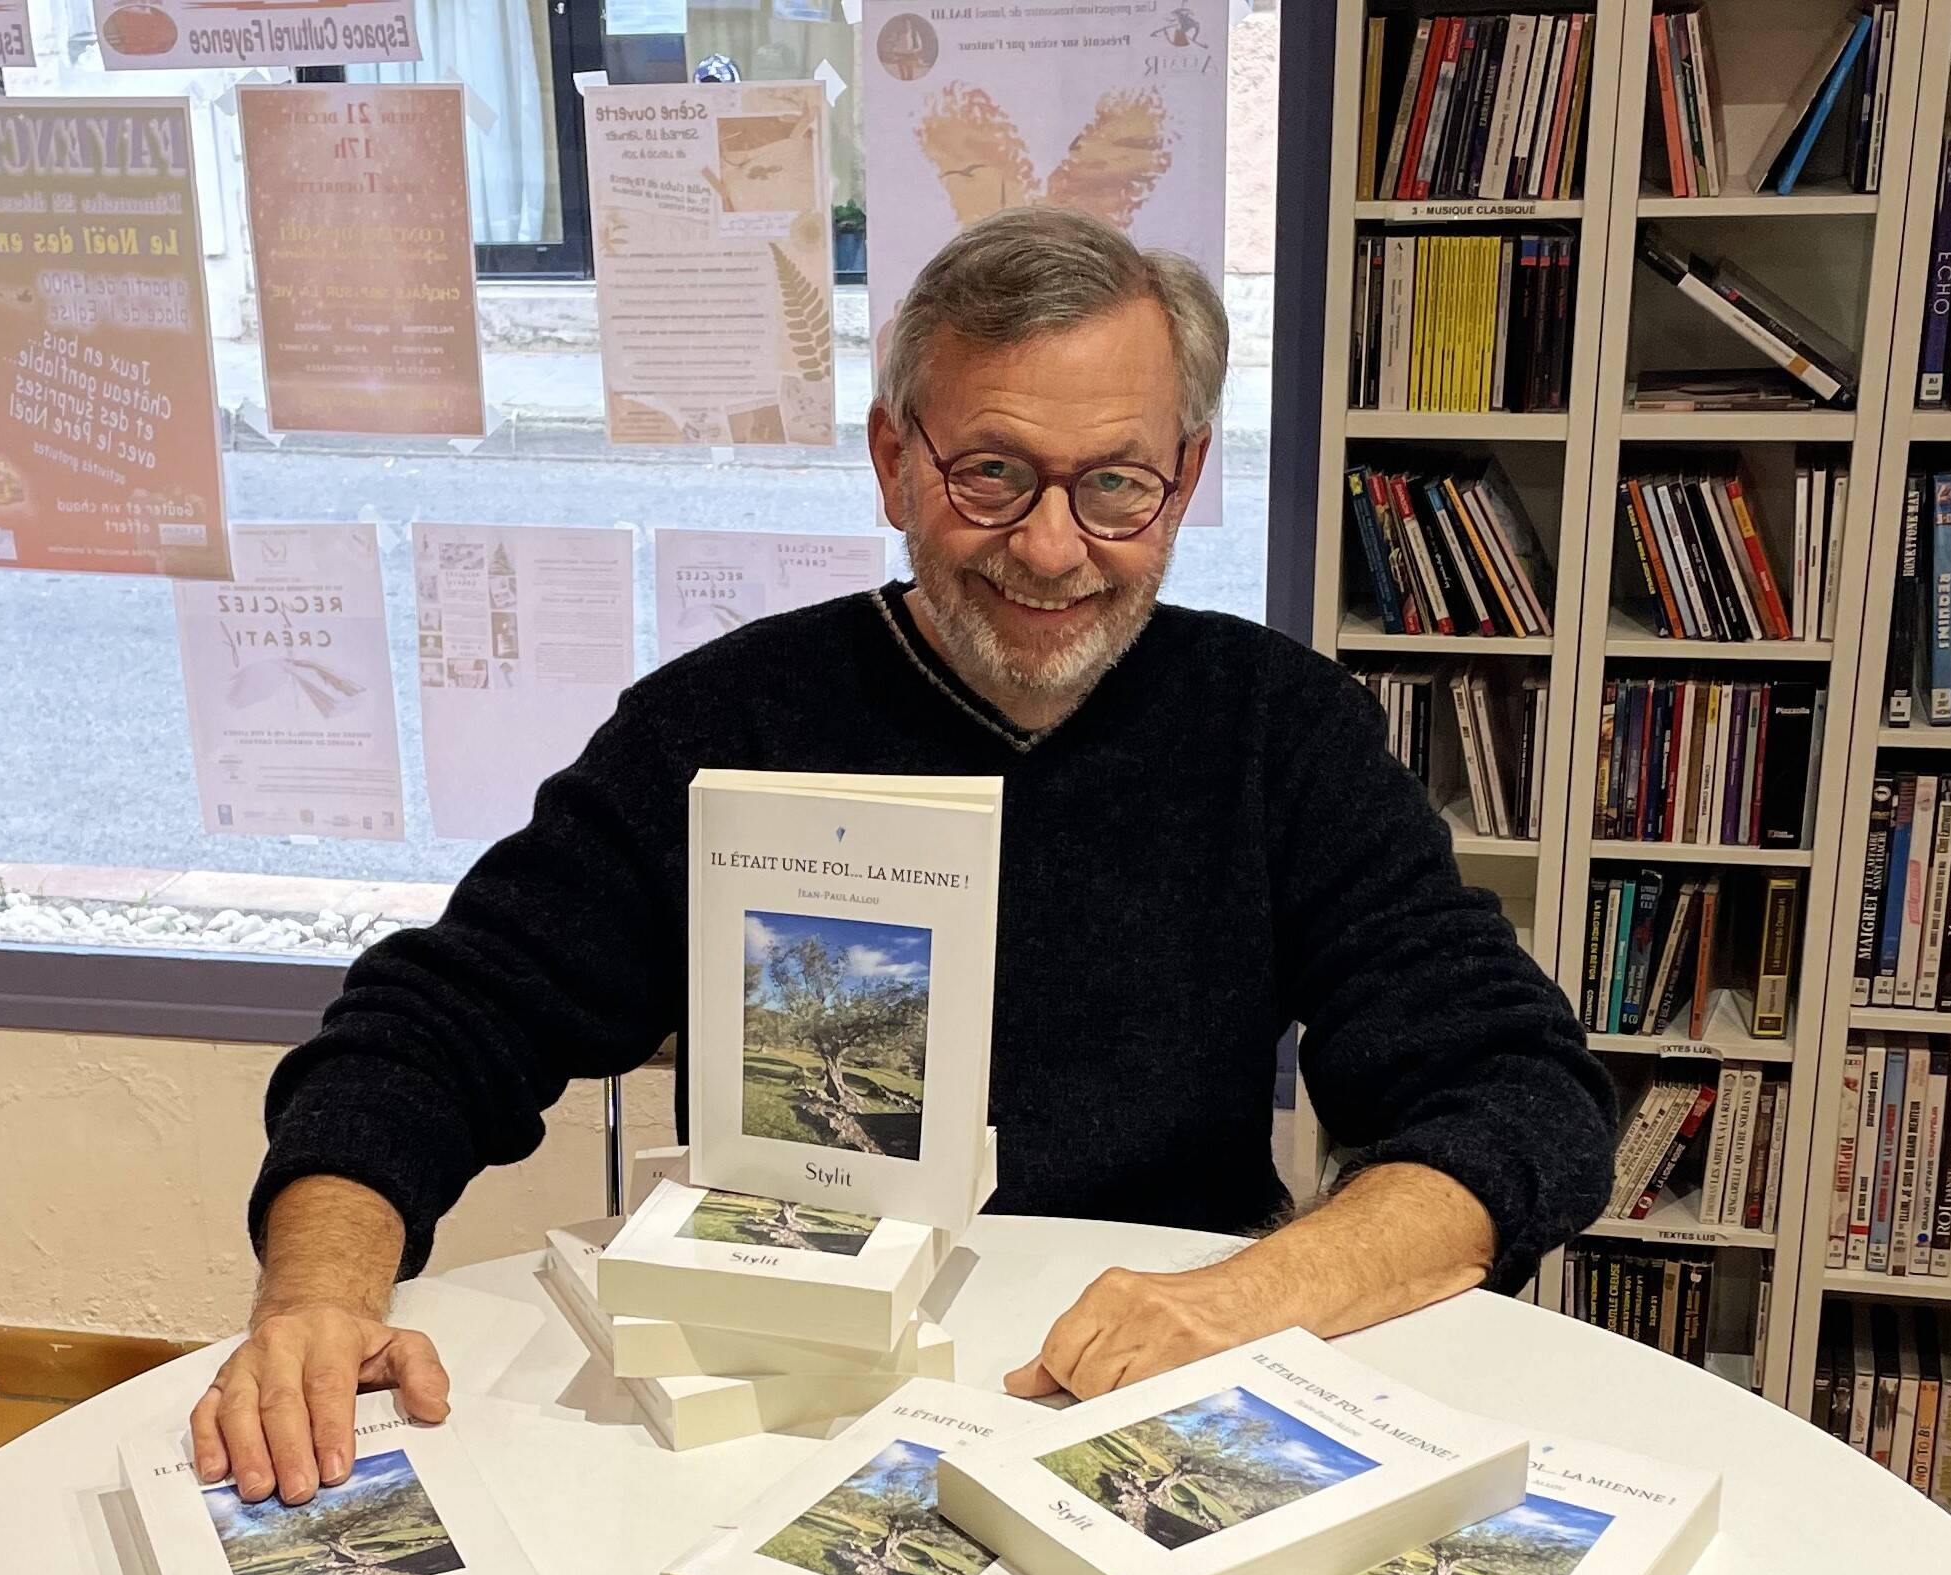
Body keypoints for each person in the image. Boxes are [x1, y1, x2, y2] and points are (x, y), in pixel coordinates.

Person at [195, 205, 1614, 1504]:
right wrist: (316, 1300)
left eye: (1116, 485)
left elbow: (1517, 1093)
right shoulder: (724, 719)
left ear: (1182, 481)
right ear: (891, 460)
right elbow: (435, 1027)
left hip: (1156, 1387)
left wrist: (1249, 1296)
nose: (1054, 551)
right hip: (781, 1397)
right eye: (990, 475)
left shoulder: (1275, 730)